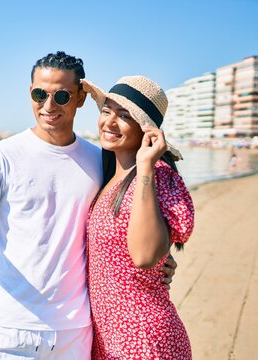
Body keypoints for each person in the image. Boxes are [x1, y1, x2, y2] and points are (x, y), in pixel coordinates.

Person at [0, 52, 176, 359]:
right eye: (41, 94)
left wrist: (161, 258)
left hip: (75, 331)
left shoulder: (101, 160)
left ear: (80, 98)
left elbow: (122, 215)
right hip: (11, 326)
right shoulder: (1, 155)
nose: (49, 106)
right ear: (30, 92)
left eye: (61, 96)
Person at [81, 76, 194, 359]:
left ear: (146, 130)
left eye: (124, 116)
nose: (109, 122)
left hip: (143, 339)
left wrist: (145, 167)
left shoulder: (157, 174)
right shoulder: (108, 176)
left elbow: (144, 256)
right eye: (107, 110)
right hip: (109, 339)